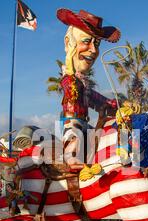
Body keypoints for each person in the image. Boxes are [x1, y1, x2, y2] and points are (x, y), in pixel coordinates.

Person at [56, 8, 119, 169]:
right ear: (69, 43)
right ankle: (71, 163)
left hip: (86, 125)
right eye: (86, 41)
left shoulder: (83, 83)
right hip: (72, 123)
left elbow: (96, 99)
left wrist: (112, 104)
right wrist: (70, 68)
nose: (93, 50)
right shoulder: (69, 79)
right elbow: (71, 88)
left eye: (96, 44)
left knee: (109, 135)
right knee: (75, 141)